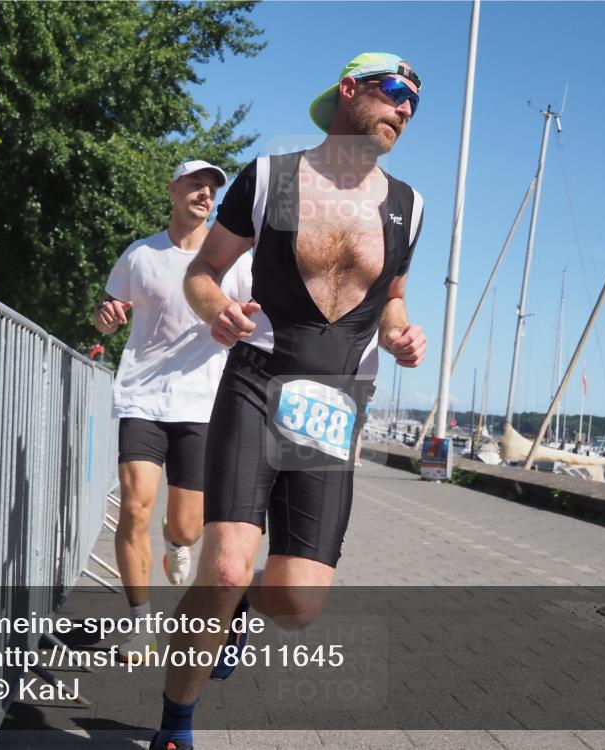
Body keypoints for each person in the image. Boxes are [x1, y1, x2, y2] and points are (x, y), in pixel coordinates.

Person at [150, 52, 427, 750]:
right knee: (223, 566)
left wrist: (400, 336)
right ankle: (175, 726)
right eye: (395, 91)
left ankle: (240, 607)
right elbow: (206, 271)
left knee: (297, 602)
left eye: (415, 104)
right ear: (349, 90)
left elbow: (392, 302)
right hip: (258, 376)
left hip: (331, 404)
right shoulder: (273, 178)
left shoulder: (408, 206)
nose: (405, 109)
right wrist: (216, 310)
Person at [93, 160, 253, 663]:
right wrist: (105, 318)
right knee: (135, 506)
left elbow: (258, 319)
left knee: (185, 527)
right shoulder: (140, 255)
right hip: (142, 395)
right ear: (173, 190)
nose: (205, 193)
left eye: (213, 188)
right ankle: (140, 625)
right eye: (196, 184)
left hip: (202, 403)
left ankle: (176, 542)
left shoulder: (236, 262)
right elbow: (105, 319)